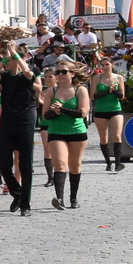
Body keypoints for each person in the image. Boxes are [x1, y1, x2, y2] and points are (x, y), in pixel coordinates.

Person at [0, 49, 39, 215]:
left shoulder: (26, 75)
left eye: (11, 59)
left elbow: (28, 73)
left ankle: (25, 205)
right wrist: (4, 60)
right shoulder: (4, 76)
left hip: (25, 122)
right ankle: (17, 193)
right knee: (4, 165)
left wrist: (15, 54)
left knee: (25, 165)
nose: (9, 61)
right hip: (7, 122)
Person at [40, 62, 90, 210]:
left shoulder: (80, 90)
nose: (60, 75)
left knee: (75, 165)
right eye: (58, 72)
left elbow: (82, 113)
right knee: (60, 164)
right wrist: (54, 112)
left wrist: (62, 109)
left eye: (64, 72)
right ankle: (59, 199)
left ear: (72, 74)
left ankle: (73, 198)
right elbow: (45, 115)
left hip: (77, 132)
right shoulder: (51, 91)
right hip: (56, 132)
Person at [90, 56, 126, 171]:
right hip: (101, 110)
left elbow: (122, 96)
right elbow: (93, 96)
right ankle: (108, 162)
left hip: (115, 109)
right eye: (103, 65)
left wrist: (114, 91)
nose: (105, 67)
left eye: (107, 64)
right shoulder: (97, 78)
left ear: (112, 65)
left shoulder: (118, 77)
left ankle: (118, 163)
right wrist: (107, 91)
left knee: (117, 136)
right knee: (103, 138)